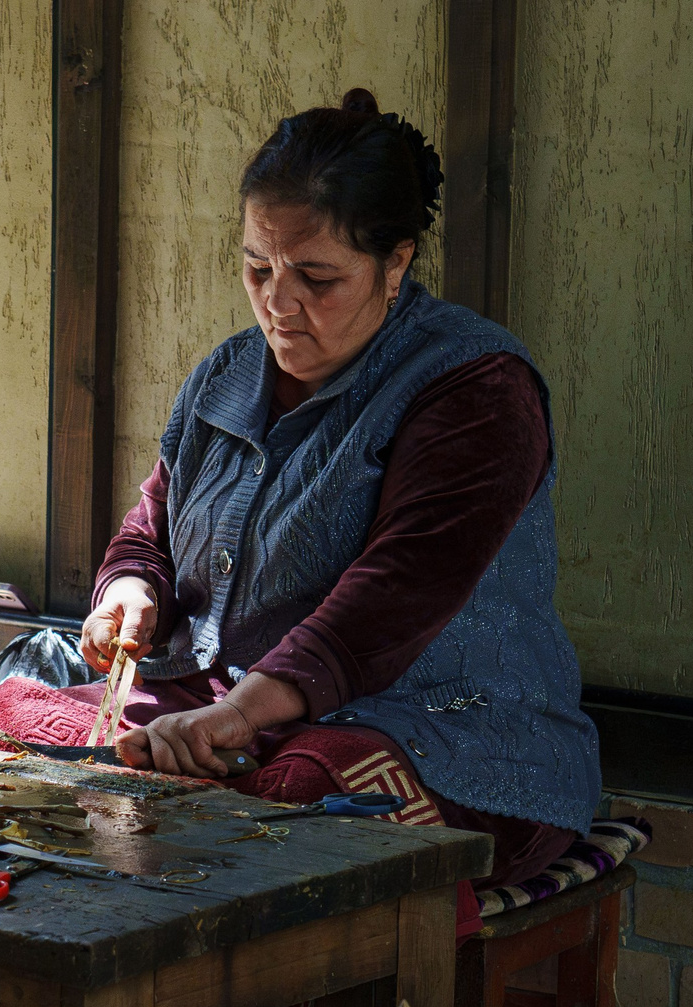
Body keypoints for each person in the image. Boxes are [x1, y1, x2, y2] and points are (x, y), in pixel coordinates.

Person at [77, 88, 599, 899]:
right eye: (257, 268)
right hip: (231, 712)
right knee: (17, 736)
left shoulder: (475, 388)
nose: (278, 304)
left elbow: (395, 595)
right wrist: (130, 594)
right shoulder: (226, 375)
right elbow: (154, 523)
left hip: (443, 733)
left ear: (397, 262)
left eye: (317, 277)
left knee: (298, 815)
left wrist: (237, 718)